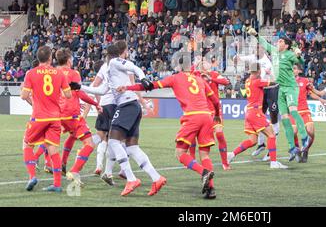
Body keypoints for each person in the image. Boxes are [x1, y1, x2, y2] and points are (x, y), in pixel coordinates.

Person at [75, 40, 165, 196]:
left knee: (114, 141)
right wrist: (80, 87)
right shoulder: (109, 69)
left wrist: (143, 78)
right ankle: (156, 178)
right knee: (132, 147)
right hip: (132, 106)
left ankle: (131, 179)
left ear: (107, 55)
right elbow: (102, 90)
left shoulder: (115, 62)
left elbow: (134, 67)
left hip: (127, 105)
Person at [122, 58, 220, 199]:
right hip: (207, 116)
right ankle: (210, 189)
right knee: (204, 155)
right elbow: (216, 101)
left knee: (180, 154)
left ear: (180, 67)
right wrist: (216, 115)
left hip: (192, 117)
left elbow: (150, 86)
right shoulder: (200, 80)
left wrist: (128, 88)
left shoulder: (175, 78)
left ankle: (203, 172)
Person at [246, 27, 310, 161]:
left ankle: (304, 137)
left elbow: (301, 63)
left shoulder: (290, 54)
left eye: (280, 41)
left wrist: (299, 55)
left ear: (286, 45)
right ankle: (292, 148)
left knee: (293, 111)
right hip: (280, 88)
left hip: (291, 87)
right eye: (278, 40)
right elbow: (264, 43)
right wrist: (256, 34)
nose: (278, 42)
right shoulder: (274, 51)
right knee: (285, 119)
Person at [21, 46, 72, 192]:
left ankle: (32, 176)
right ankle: (56, 185)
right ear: (50, 58)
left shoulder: (31, 73)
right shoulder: (59, 73)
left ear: (38, 58)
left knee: (27, 145)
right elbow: (68, 95)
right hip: (55, 117)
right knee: (53, 149)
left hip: (39, 117)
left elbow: (24, 96)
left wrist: (34, 103)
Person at [227, 63, 287, 169]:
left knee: (252, 141)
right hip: (256, 112)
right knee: (272, 135)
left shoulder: (247, 81)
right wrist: (277, 78)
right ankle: (273, 162)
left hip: (249, 113)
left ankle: (231, 154)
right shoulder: (257, 81)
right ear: (259, 71)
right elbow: (272, 83)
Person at [55, 48, 101, 185]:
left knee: (72, 135)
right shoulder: (73, 73)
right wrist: (95, 103)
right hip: (72, 114)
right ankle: (74, 171)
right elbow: (80, 93)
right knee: (89, 143)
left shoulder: (54, 72)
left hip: (58, 114)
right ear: (69, 60)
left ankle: (62, 164)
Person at [290, 64, 326, 162]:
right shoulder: (287, 81)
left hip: (304, 110)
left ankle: (306, 150)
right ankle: (298, 150)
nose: (292, 70)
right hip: (293, 111)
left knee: (311, 132)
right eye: (291, 68)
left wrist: (320, 99)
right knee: (293, 132)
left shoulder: (304, 81)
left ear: (299, 71)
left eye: (295, 68)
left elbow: (311, 93)